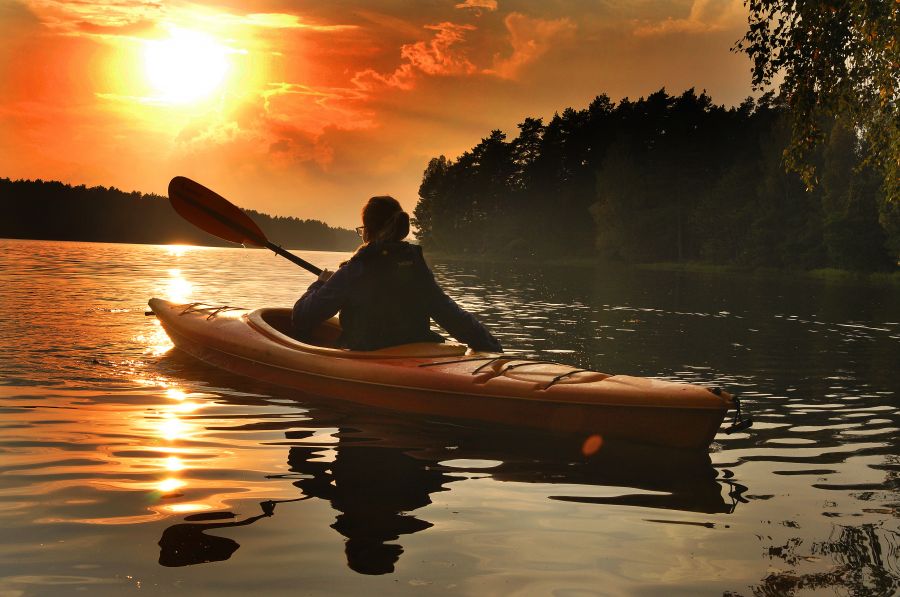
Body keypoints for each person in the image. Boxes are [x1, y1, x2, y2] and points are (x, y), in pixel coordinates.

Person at [291, 195, 502, 352]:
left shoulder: (356, 269)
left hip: (373, 359)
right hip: (419, 353)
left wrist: (319, 284)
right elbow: (450, 315)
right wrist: (492, 347)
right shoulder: (415, 266)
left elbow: (302, 317)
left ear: (367, 231)